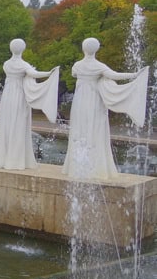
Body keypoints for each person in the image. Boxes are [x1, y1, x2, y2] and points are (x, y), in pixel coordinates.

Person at [62, 37, 149, 179]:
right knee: (95, 128)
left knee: (80, 129)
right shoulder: (99, 66)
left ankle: (76, 165)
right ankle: (97, 166)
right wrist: (134, 75)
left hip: (79, 101)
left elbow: (74, 74)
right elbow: (114, 76)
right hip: (95, 100)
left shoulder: (77, 65)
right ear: (97, 49)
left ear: (83, 48)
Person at [0, 39, 59, 170]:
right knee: (18, 124)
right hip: (19, 96)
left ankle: (2, 157)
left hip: (7, 95)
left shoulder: (6, 64)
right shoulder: (23, 65)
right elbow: (34, 74)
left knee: (6, 124)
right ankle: (15, 159)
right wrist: (49, 73)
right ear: (23, 49)